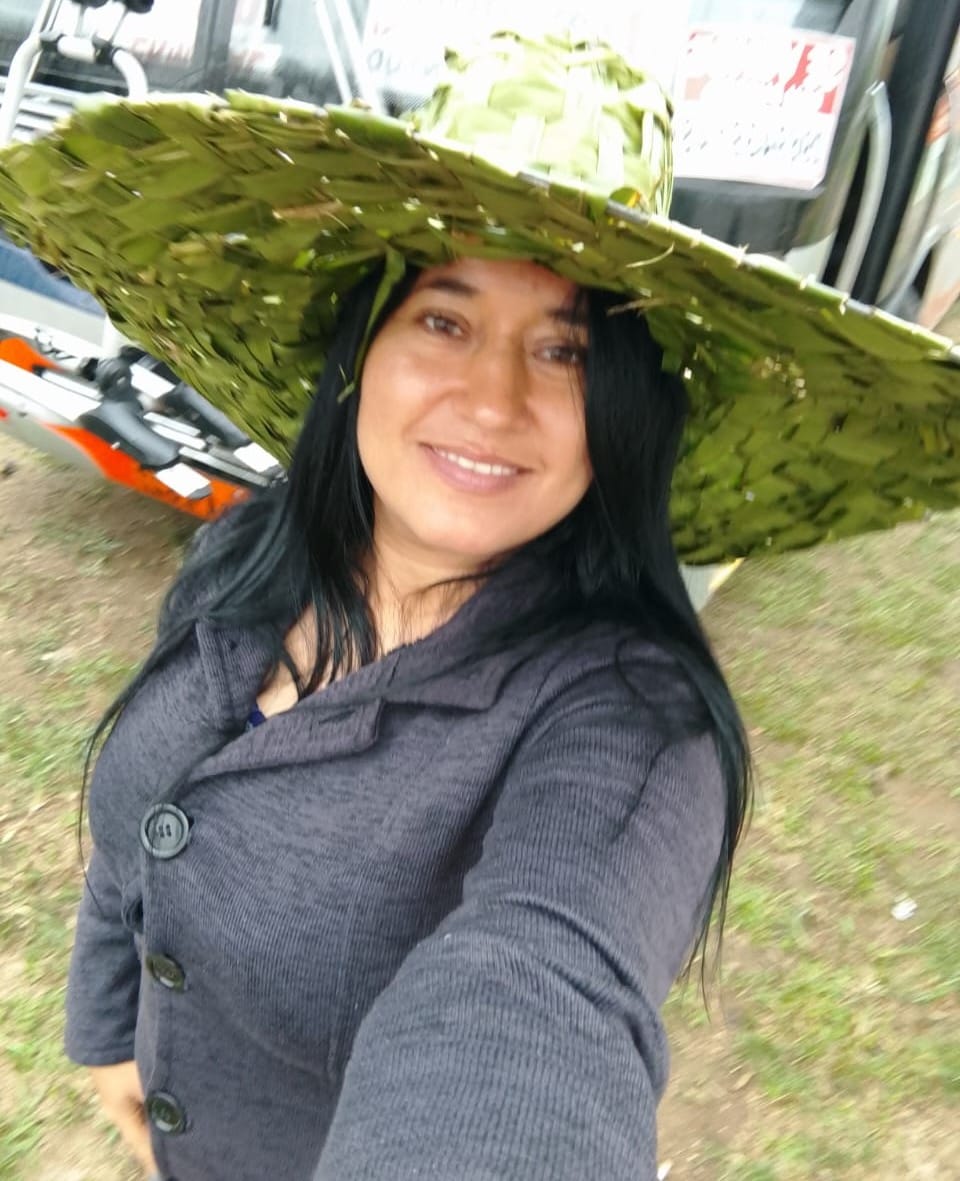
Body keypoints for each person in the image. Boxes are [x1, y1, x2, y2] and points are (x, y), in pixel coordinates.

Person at [0, 26, 955, 1181]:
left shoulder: (632, 727)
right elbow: (140, 819)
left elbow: (542, 989)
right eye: (445, 320)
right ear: (361, 349)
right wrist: (108, 1026)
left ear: (625, 412)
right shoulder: (249, 550)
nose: (493, 401)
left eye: (565, 353)